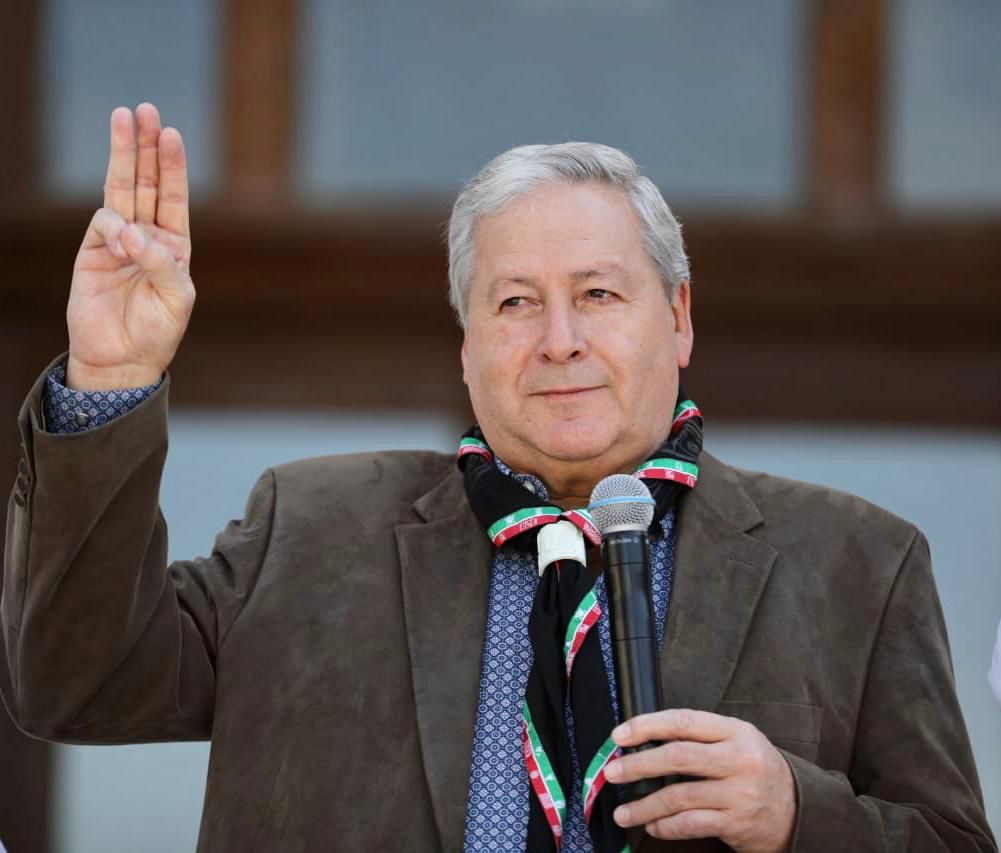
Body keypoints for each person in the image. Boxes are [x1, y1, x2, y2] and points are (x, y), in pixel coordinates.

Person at [1, 103, 995, 853]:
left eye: (597, 293)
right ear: (466, 344)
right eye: (515, 302)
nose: (559, 341)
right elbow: (73, 686)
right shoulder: (308, 527)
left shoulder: (856, 564)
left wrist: (798, 813)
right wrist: (111, 378)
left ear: (678, 317)